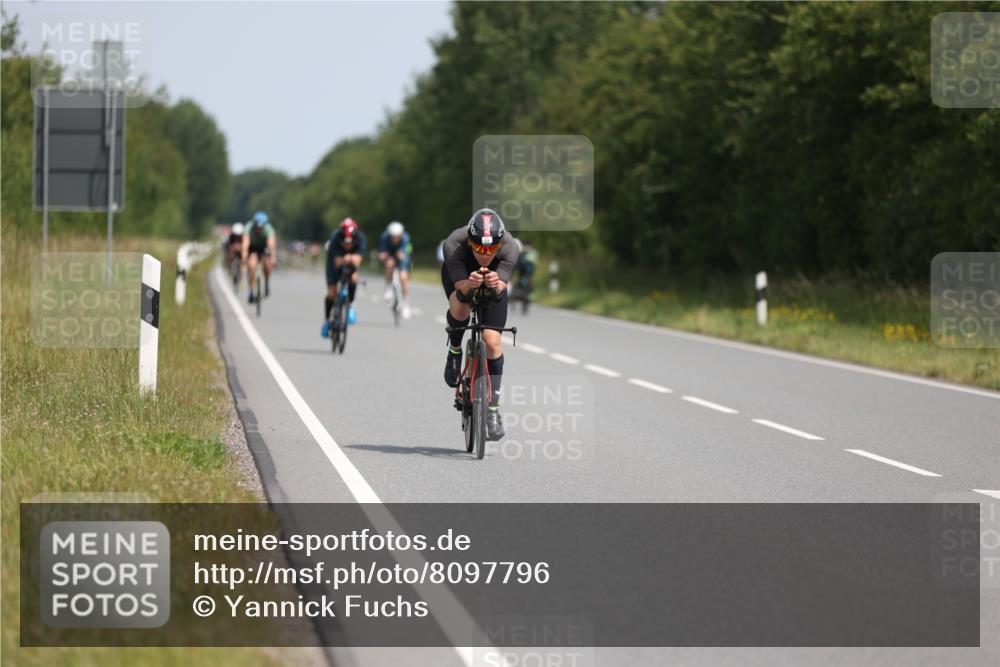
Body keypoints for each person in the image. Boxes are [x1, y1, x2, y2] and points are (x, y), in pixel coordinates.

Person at [441, 208, 519, 440]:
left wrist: (496, 284)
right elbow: (461, 289)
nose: (485, 255)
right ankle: (455, 350)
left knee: (492, 342)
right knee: (462, 307)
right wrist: (468, 284)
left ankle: (493, 410)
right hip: (462, 276)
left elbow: (499, 290)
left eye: (491, 249)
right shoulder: (454, 244)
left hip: (493, 281)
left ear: (499, 245)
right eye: (479, 248)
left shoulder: (510, 247)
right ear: (470, 241)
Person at [322, 218, 367, 338]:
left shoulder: (361, 239)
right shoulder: (335, 239)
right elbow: (337, 262)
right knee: (332, 293)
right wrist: (347, 258)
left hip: (350, 262)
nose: (348, 244)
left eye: (350, 242)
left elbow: (357, 261)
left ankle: (351, 305)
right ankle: (327, 321)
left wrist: (350, 258)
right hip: (334, 263)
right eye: (345, 242)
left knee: (353, 278)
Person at [378, 221, 413, 319]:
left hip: (401, 256)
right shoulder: (384, 237)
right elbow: (381, 252)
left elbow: (407, 251)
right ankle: (388, 288)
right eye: (393, 236)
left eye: (397, 236)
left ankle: (406, 303)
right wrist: (382, 256)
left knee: (403, 277)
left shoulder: (406, 238)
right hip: (389, 255)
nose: (395, 238)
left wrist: (403, 255)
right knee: (389, 264)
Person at [242, 211, 277, 303]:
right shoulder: (248, 228)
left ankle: (267, 282)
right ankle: (251, 291)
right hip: (252, 247)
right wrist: (244, 257)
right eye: (257, 226)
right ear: (254, 224)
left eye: (261, 227)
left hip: (264, 247)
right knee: (252, 266)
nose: (259, 229)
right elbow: (245, 245)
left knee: (267, 264)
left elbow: (271, 245)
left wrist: (273, 257)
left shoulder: (269, 229)